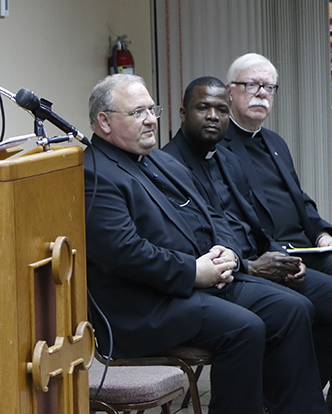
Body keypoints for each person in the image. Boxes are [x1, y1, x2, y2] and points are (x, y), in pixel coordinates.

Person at [85, 73, 327, 413]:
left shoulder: (159, 160)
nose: (151, 120)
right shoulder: (94, 172)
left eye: (152, 109)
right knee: (246, 328)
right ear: (104, 122)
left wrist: (228, 252)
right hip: (147, 304)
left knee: (292, 309)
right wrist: (193, 271)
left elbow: (215, 215)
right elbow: (124, 252)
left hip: (200, 282)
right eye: (137, 112)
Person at [162, 76, 332, 402]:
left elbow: (254, 223)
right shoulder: (169, 165)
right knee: (296, 308)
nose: (213, 116)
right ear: (183, 113)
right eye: (203, 108)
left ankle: (286, 395)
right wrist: (252, 266)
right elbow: (194, 240)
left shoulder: (228, 158)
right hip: (231, 274)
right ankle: (290, 400)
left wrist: (280, 255)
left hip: (261, 261)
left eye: (221, 110)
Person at [222, 53, 332, 275]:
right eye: (251, 85)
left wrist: (322, 234)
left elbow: (298, 198)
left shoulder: (275, 141)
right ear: (230, 91)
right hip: (273, 256)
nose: (261, 93)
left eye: (269, 87)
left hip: (310, 249)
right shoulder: (218, 146)